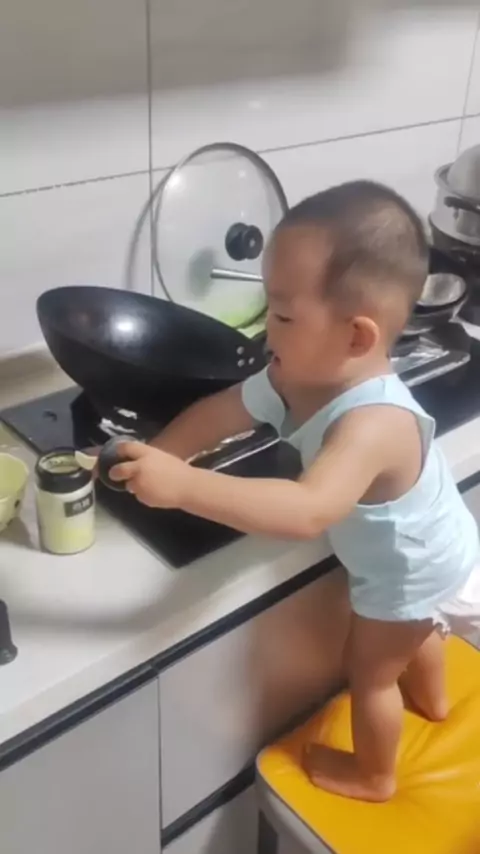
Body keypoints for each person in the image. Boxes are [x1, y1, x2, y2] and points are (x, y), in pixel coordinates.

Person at [108, 181, 480, 803]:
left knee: (372, 672)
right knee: (417, 634)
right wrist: (163, 454)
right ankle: (437, 701)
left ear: (357, 338)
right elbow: (221, 410)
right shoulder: (294, 376)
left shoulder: (373, 423)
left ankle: (375, 776)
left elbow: (309, 510)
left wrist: (185, 486)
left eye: (282, 316)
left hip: (410, 568)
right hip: (433, 547)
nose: (265, 329)